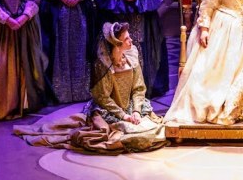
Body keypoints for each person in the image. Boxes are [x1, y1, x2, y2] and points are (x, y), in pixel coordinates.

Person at [14, 22, 167, 154]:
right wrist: (123, 116)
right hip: (109, 110)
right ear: (117, 44)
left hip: (131, 107)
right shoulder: (104, 65)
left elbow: (139, 88)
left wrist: (136, 111)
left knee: (153, 130)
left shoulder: (132, 56)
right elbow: (103, 98)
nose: (131, 40)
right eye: (127, 38)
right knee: (124, 135)